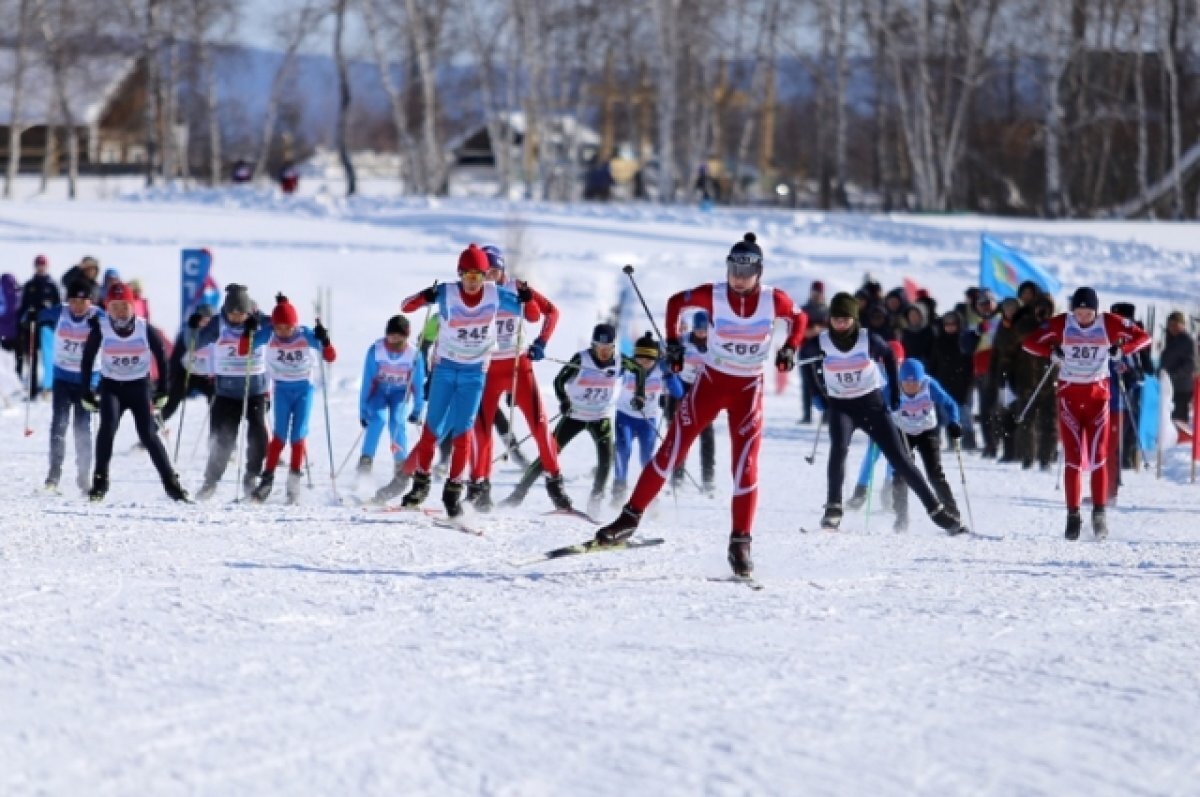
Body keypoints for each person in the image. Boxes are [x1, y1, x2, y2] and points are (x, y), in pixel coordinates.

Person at [593, 233, 808, 578]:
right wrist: (675, 343)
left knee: (746, 466)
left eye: (746, 271)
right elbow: (677, 303)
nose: (738, 277)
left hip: (748, 390)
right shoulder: (714, 294)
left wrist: (791, 347)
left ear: (759, 272)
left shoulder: (774, 300)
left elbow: (800, 319)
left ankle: (740, 543)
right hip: (711, 384)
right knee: (671, 451)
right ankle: (629, 519)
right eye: (733, 268)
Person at [813, 292, 963, 534]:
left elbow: (891, 356)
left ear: (853, 319)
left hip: (889, 413)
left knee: (906, 463)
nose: (840, 324)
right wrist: (817, 393)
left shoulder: (869, 341)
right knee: (843, 451)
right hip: (847, 407)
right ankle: (840, 506)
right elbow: (809, 361)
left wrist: (894, 391)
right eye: (835, 319)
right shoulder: (823, 342)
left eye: (845, 319)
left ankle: (938, 509)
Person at [1022, 286, 1151, 540]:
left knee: (1098, 457)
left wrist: (1121, 350)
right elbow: (1028, 343)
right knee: (1072, 459)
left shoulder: (1110, 322)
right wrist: (1050, 352)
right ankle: (1073, 515)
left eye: (1087, 312)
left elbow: (1143, 338)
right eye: (1079, 312)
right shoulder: (1061, 324)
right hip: (1069, 399)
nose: (1082, 317)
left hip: (1098, 400)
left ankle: (1100, 513)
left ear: (1095, 309)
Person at [397, 244, 509, 517]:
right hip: (445, 369)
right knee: (431, 431)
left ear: (486, 276)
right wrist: (426, 295)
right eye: (467, 276)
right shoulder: (447, 292)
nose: (472, 283)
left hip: (474, 373)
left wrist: (528, 298)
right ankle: (420, 485)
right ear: (459, 274)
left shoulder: (495, 294)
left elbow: (533, 311)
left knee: (463, 433)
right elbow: (406, 306)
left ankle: (453, 492)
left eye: (478, 277)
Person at [467, 244, 569, 512]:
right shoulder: (474, 292)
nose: (489, 277)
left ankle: (556, 487)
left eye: (494, 271)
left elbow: (549, 313)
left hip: (517, 367)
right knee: (480, 430)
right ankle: (480, 489)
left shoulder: (517, 288)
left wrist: (542, 343)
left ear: (502, 270)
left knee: (539, 425)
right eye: (484, 272)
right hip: (487, 369)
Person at [502, 322, 642, 515]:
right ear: (593, 345)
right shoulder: (581, 359)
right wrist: (564, 400)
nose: (603, 352)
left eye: (607, 348)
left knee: (605, 461)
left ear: (613, 346)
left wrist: (640, 395)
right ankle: (517, 495)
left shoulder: (620, 361)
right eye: (599, 348)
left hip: (600, 418)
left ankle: (595, 502)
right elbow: (558, 381)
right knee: (547, 456)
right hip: (574, 416)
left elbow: (639, 371)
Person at [78, 281, 187, 502]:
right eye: (114, 306)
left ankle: (172, 484)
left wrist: (163, 389)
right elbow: (87, 359)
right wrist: (86, 391)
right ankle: (100, 482)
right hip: (111, 387)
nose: (119, 311)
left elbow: (162, 358)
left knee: (148, 434)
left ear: (132, 306)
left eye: (124, 306)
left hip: (139, 387)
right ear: (108, 307)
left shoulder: (144, 327)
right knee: (107, 429)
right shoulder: (101, 327)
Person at [251, 295, 337, 502]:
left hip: (303, 390)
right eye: (278, 327)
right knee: (279, 436)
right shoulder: (269, 334)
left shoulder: (304, 334)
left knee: (298, 435)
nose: (283, 332)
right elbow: (246, 349)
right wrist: (248, 331)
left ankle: (294, 481)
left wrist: (324, 340)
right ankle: (267, 480)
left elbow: (331, 357)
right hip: (281, 389)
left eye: (287, 327)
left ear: (294, 324)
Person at [192, 284, 272, 500]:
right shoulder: (218, 323)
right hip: (226, 392)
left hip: (254, 389)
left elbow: (284, 324)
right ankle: (210, 482)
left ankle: (252, 475)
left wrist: (267, 320)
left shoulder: (259, 319)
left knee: (258, 434)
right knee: (223, 439)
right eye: (232, 314)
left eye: (241, 314)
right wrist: (193, 330)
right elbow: (196, 343)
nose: (236, 318)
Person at [39, 278, 102, 492]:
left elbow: (119, 329)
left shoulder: (98, 316)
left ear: (90, 302)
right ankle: (53, 477)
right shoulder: (61, 312)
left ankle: (84, 477)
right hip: (63, 379)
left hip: (87, 381)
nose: (76, 306)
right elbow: (41, 316)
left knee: (82, 429)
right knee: (59, 425)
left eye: (81, 302)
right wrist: (33, 316)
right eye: (73, 301)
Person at [889, 358, 963, 532]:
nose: (911, 386)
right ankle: (901, 517)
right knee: (900, 473)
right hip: (903, 432)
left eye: (915, 382)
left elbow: (950, 404)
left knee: (934, 473)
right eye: (907, 382)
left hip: (927, 431)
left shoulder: (930, 386)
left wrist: (954, 422)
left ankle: (952, 513)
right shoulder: (892, 389)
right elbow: (878, 406)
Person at [360, 315, 427, 503]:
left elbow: (418, 384)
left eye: (399, 337)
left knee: (397, 422)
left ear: (406, 337)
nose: (394, 340)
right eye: (391, 336)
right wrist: (363, 410)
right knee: (378, 419)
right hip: (379, 393)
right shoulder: (376, 351)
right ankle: (366, 461)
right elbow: (367, 381)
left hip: (400, 394)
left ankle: (400, 464)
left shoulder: (414, 354)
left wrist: (418, 409)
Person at [612, 332, 684, 505]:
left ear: (655, 359)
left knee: (647, 458)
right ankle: (619, 490)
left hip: (648, 420)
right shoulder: (628, 366)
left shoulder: (661, 369)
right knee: (623, 450)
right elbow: (608, 373)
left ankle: (649, 495)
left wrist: (669, 374)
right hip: (625, 416)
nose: (643, 364)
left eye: (648, 360)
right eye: (639, 359)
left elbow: (678, 392)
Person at [669, 310, 716, 492]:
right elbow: (666, 354)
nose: (701, 333)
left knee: (707, 433)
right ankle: (677, 474)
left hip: (705, 390)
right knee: (682, 431)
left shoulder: (715, 343)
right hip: (684, 388)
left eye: (704, 330)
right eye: (698, 329)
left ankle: (708, 477)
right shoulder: (683, 341)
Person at [928, 311, 975, 450]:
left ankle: (969, 442)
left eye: (952, 324)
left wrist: (968, 385)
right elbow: (933, 364)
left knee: (964, 414)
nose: (949, 327)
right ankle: (952, 442)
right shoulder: (939, 342)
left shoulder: (964, 340)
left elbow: (970, 365)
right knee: (947, 414)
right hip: (944, 383)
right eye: (946, 324)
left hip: (962, 383)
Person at [161, 304, 216, 423]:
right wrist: (170, 378)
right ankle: (149, 434)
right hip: (186, 373)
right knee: (171, 404)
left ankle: (216, 439)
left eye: (209, 321)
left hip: (207, 377)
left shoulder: (216, 334)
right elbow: (175, 358)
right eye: (203, 320)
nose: (206, 324)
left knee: (216, 405)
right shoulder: (188, 332)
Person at [17, 254, 62, 398]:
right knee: (32, 357)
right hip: (32, 326)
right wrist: (24, 317)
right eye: (38, 265)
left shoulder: (52, 285)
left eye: (43, 264)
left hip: (47, 326)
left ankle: (48, 387)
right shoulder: (30, 285)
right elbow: (23, 305)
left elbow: (58, 306)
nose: (41, 267)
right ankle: (32, 388)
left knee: (48, 357)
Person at [1159, 311, 1195, 436]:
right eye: (1170, 325)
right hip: (1169, 387)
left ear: (1182, 325)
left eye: (1175, 325)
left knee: (1178, 421)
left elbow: (1190, 365)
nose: (1172, 327)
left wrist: (1173, 375)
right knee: (1169, 419)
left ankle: (1179, 443)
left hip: (1181, 388)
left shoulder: (1187, 341)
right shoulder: (1171, 339)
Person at [799, 281, 828, 425]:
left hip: (824, 353)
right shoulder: (804, 310)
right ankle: (807, 415)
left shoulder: (828, 311)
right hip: (806, 352)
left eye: (820, 292)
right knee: (807, 385)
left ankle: (826, 416)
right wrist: (809, 332)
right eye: (815, 292)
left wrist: (821, 330)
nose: (817, 295)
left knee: (826, 384)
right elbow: (797, 331)